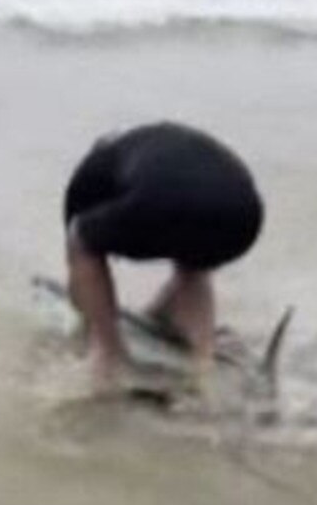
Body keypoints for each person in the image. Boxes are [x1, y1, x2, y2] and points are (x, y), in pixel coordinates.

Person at [63, 120, 264, 390]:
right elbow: (183, 206)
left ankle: (108, 356)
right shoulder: (151, 145)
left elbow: (79, 258)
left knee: (81, 241)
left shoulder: (90, 174)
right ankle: (203, 362)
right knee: (193, 259)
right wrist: (154, 315)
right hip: (244, 217)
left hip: (167, 199)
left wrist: (88, 316)